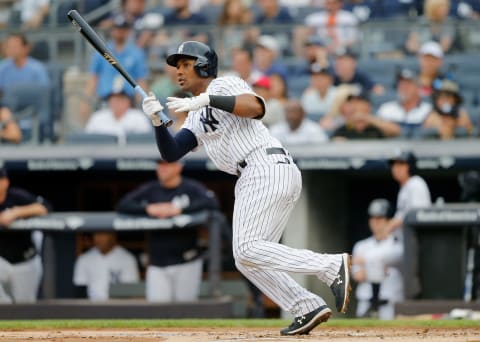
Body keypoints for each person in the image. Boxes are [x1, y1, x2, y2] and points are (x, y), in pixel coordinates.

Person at [141, 40, 351, 335]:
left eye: (185, 64)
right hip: (260, 173)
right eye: (176, 66)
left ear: (203, 66)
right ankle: (306, 306)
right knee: (247, 258)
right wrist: (157, 123)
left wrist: (207, 100)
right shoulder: (197, 115)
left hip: (263, 166)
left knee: (247, 248)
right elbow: (173, 152)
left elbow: (256, 108)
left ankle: (328, 266)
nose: (178, 71)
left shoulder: (223, 85)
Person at [116, 159, 219, 302]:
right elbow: (123, 204)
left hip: (187, 260)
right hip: (157, 262)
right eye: (160, 165)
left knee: (185, 311)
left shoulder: (190, 188)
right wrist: (149, 209)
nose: (162, 169)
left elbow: (212, 202)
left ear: (178, 167)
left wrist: (180, 210)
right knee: (157, 312)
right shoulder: (151, 189)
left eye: (166, 165)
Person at [83, 14, 148, 122]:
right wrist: (86, 101)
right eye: (117, 28)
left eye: (123, 29)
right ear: (112, 30)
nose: (120, 32)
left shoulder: (136, 53)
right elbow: (93, 78)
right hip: (105, 101)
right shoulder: (101, 51)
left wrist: (142, 103)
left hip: (129, 103)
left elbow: (141, 80)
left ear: (128, 31)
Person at [0, 166, 50, 303]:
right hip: (2, 260)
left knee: (24, 306)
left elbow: (44, 207)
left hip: (25, 260)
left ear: (5, 182)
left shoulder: (17, 196)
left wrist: (15, 213)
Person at [352, 199, 404, 320]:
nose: (376, 222)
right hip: (365, 302)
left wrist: (366, 263)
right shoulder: (361, 246)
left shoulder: (398, 245)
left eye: (380, 218)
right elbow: (359, 275)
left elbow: (391, 257)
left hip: (390, 305)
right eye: (373, 218)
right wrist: (380, 268)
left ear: (389, 221)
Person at [73, 231, 140, 301]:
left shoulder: (127, 258)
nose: (98, 238)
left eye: (102, 234)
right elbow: (80, 292)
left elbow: (131, 292)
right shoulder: (83, 259)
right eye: (96, 234)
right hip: (92, 307)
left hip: (118, 307)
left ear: (113, 235)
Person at [385, 151, 432, 235]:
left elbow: (418, 215)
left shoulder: (416, 183)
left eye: (401, 164)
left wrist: (392, 224)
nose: (396, 168)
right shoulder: (405, 187)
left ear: (410, 166)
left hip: (416, 238)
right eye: (394, 165)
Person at [376, 68, 432, 138]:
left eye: (408, 84)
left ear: (418, 87)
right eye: (401, 83)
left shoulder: (428, 110)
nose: (404, 87)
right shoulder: (386, 108)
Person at [84, 88, 152, 141]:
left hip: (132, 155)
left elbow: (146, 140)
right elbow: (87, 139)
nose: (117, 102)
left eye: (121, 98)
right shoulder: (98, 116)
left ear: (128, 101)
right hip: (102, 155)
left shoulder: (138, 116)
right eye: (114, 99)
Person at [0, 32, 50, 96]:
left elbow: (44, 92)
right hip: (7, 104)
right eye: (9, 46)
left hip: (31, 104)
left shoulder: (37, 68)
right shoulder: (2, 67)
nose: (11, 49)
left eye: (14, 46)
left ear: (25, 48)